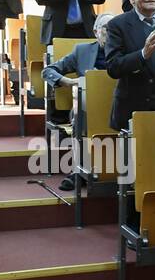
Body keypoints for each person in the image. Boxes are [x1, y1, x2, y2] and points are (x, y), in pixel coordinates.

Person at [45, 13, 111, 192]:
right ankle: (78, 170)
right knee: (78, 113)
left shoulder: (127, 52)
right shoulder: (82, 51)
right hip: (86, 106)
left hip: (116, 105)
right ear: (96, 32)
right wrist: (72, 82)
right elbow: (49, 71)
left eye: (116, 28)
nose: (111, 32)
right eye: (106, 28)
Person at [105, 0, 155, 132]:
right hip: (132, 108)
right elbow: (113, 67)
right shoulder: (117, 25)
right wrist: (142, 55)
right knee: (131, 157)